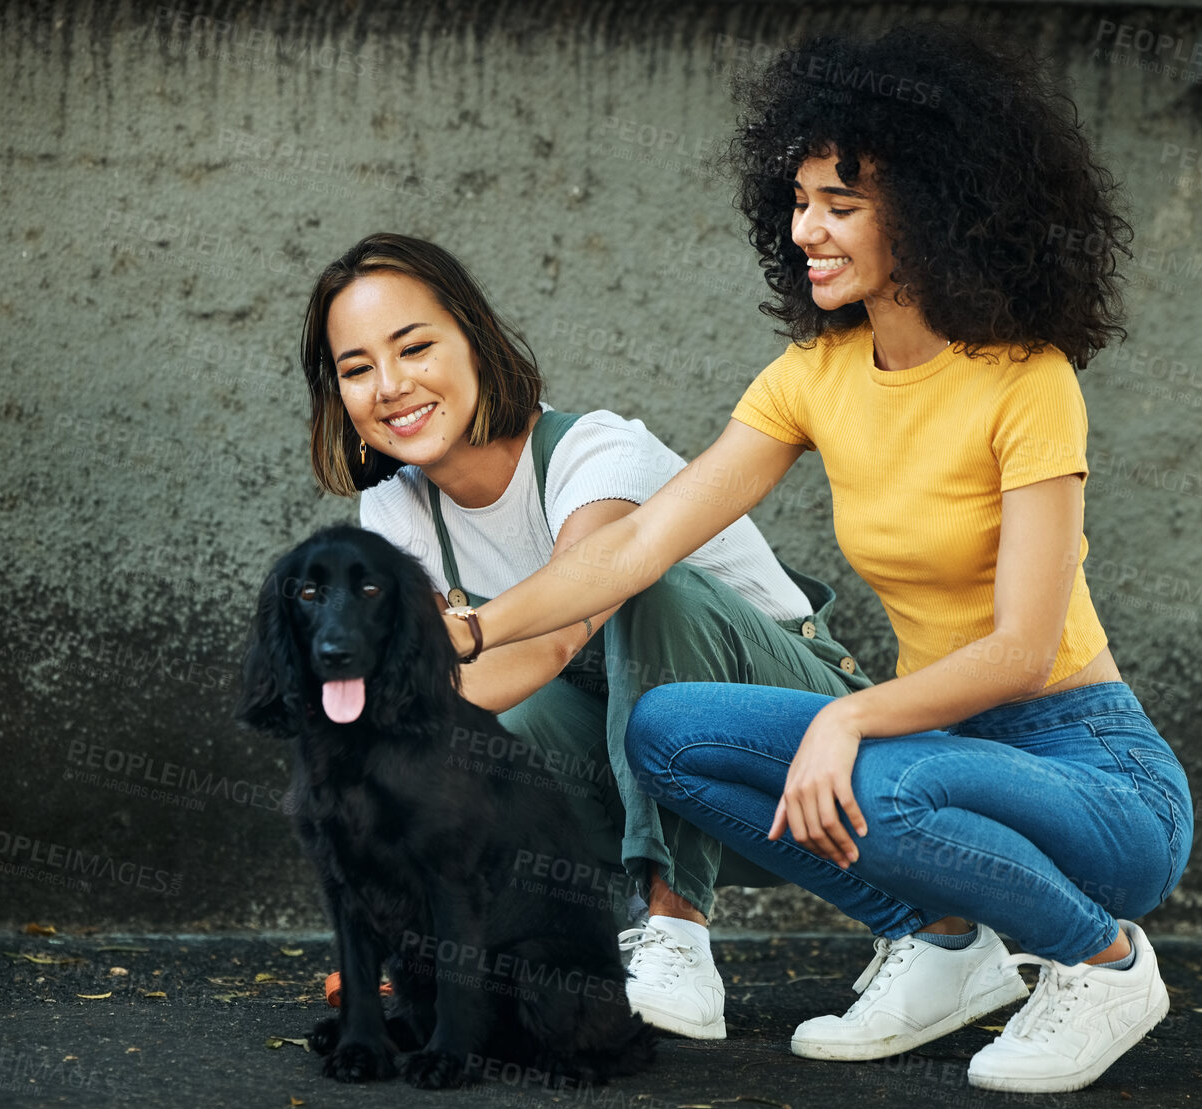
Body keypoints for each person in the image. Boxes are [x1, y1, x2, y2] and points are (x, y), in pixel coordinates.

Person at [440, 24, 1192, 1093]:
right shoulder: (811, 375)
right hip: (937, 753)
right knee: (668, 731)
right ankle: (940, 940)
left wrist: (844, 713)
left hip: (1094, 772)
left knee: (875, 776)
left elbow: (1024, 650)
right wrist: (468, 627)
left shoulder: (1029, 382)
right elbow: (640, 545)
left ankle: (1105, 961)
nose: (806, 229)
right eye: (798, 201)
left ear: (936, 210)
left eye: (841, 204)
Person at [300, 232, 875, 1040]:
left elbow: (548, 643)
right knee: (499, 732)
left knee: (641, 584)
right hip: (665, 787)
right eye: (357, 368)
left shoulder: (597, 451)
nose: (391, 386)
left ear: (474, 338)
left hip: (809, 750)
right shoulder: (395, 512)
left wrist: (404, 692)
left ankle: (677, 930)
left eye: (415, 347)